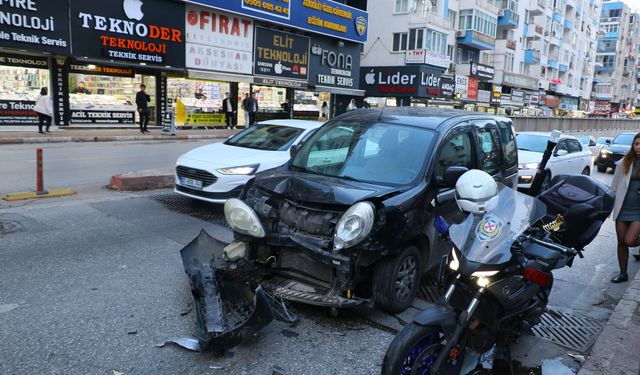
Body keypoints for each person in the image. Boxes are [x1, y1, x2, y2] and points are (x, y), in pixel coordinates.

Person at [610, 132, 640, 283]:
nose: (639, 147)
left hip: (638, 211)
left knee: (629, 240)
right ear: (632, 145)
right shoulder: (624, 162)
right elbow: (614, 186)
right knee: (621, 242)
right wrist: (609, 206)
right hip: (623, 208)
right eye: (636, 144)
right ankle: (623, 273)